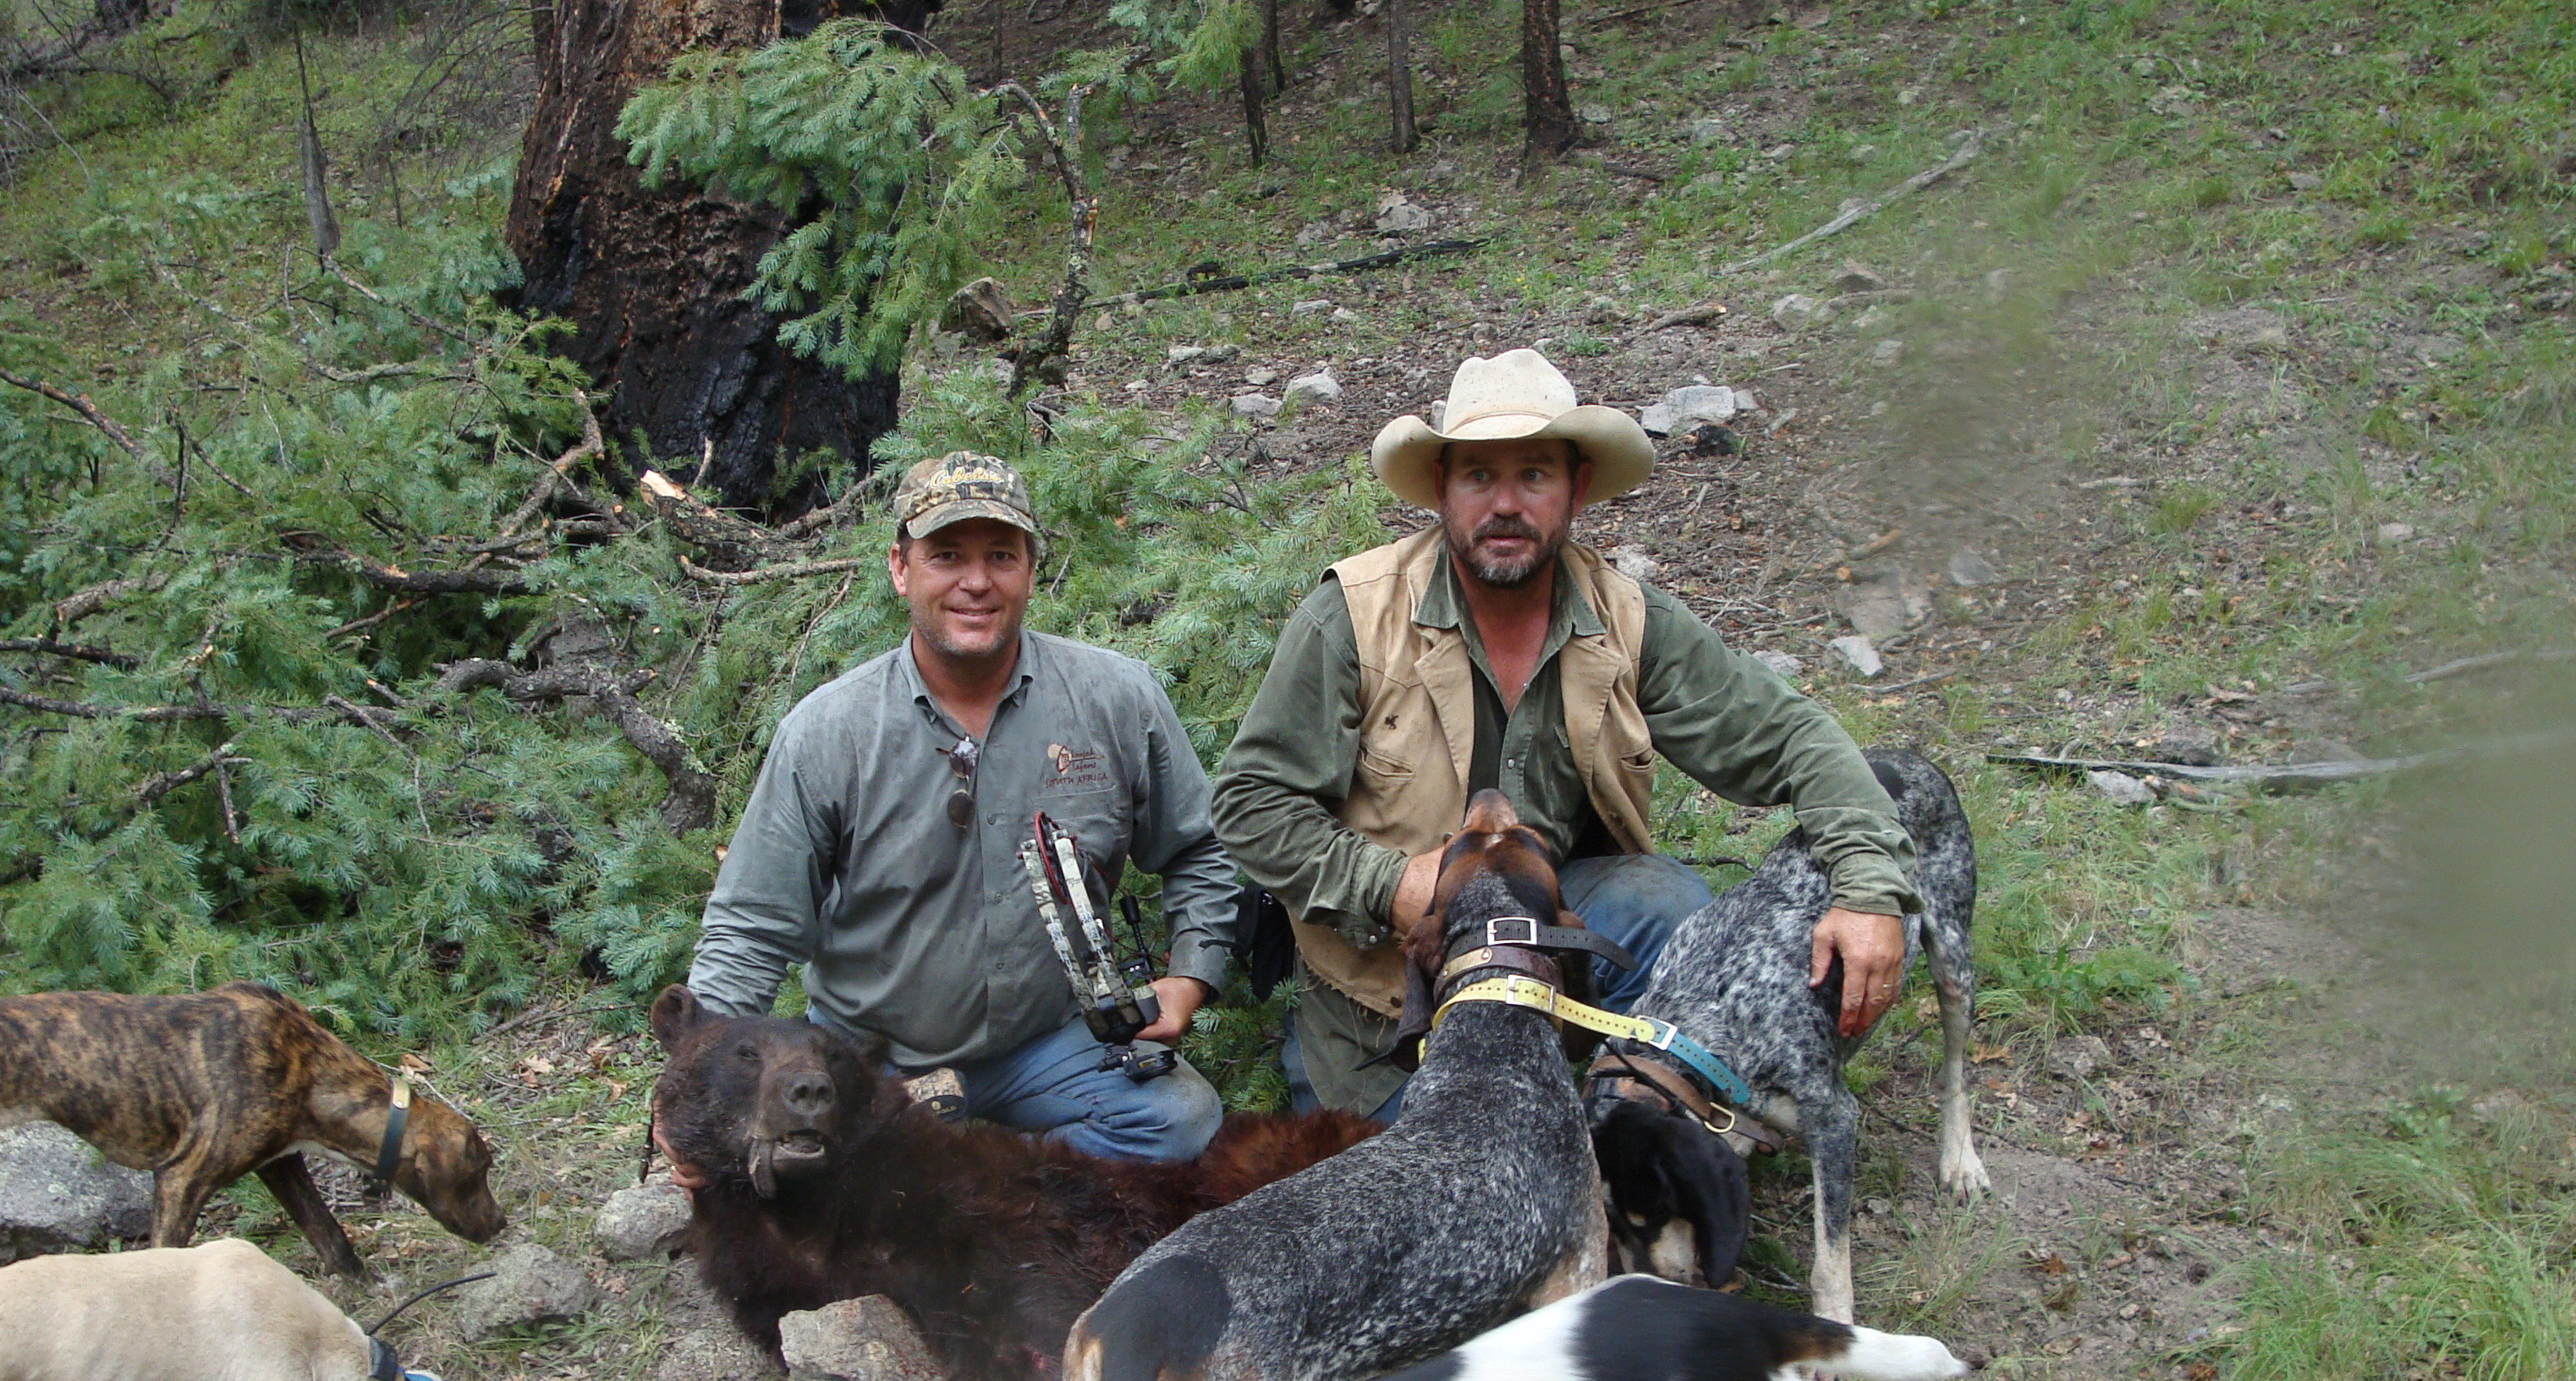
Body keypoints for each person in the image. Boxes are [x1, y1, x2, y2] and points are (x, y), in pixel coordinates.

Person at [1213, 348, 1919, 1119]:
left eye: (1535, 475)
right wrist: (1389, 886)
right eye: (1479, 476)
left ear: (1576, 488)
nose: (1505, 505)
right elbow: (1252, 803)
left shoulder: (1629, 619)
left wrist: (1869, 893)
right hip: (1389, 986)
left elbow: (1794, 738)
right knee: (1418, 1187)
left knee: (1665, 900)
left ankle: (1628, 1097)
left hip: (1558, 943)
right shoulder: (1352, 615)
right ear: (1442, 492)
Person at [686, 452, 1232, 1162]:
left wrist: (1190, 977)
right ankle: (938, 1167)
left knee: (1178, 1121)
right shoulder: (828, 733)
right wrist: (698, 1090)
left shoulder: (1116, 700)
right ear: (900, 569)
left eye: (1001, 555)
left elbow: (1198, 849)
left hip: (1052, 1039)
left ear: (1031, 570)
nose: (977, 582)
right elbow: (750, 927)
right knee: (808, 1173)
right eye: (946, 555)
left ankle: (986, 1185)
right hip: (869, 1055)